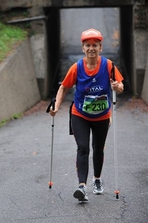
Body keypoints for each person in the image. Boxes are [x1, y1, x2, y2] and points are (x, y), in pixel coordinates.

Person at [49, 28, 124, 202]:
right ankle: (81, 186)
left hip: (102, 116)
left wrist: (117, 87)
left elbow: (120, 86)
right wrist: (57, 107)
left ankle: (97, 179)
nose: (91, 48)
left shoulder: (109, 66)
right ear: (83, 48)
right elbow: (63, 87)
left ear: (100, 47)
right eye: (87, 45)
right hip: (80, 114)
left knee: (98, 148)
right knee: (83, 148)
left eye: (95, 45)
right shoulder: (77, 68)